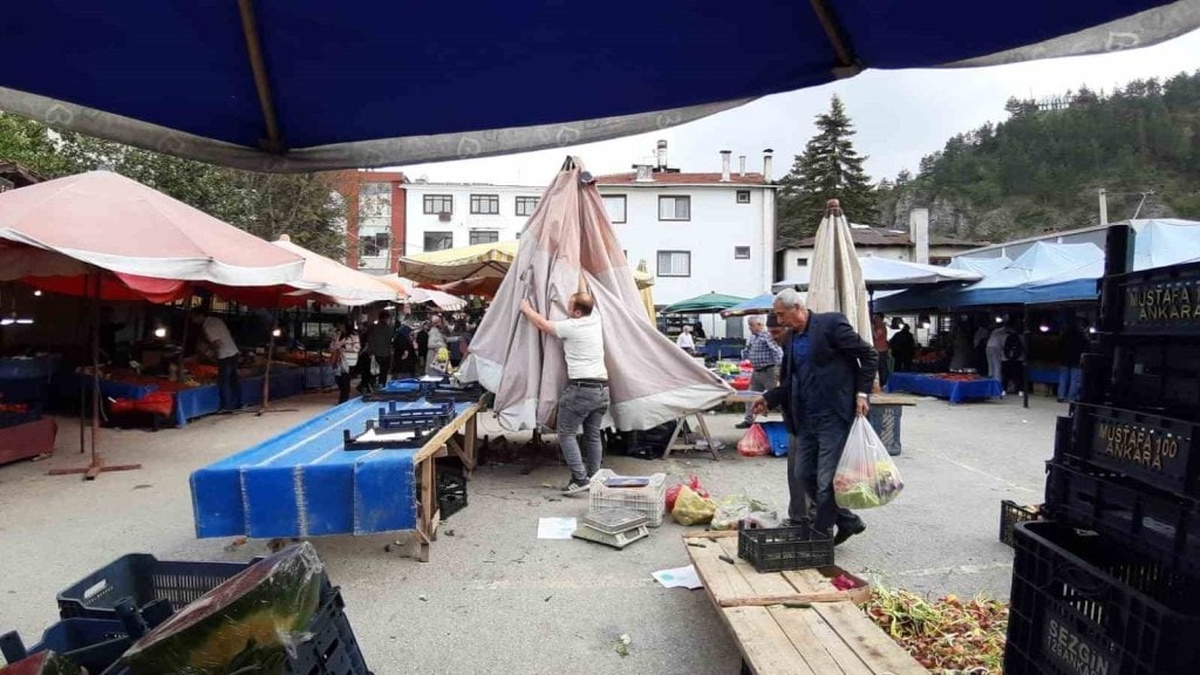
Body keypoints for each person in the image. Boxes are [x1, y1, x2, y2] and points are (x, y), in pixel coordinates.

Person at [753, 289, 877, 545]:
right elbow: (791, 381)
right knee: (803, 474)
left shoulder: (831, 324)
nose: (779, 320)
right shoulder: (792, 339)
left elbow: (869, 354)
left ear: (797, 308)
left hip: (833, 415)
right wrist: (769, 397)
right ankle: (847, 520)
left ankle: (820, 537)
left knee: (825, 480)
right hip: (806, 417)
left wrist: (862, 393)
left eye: (781, 314)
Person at [520, 293, 609, 495]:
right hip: (602, 389)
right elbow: (584, 293)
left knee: (566, 434)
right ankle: (594, 477)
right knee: (593, 435)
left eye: (569, 306)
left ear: (577, 312)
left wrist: (527, 309)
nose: (566, 309)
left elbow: (543, 325)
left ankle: (580, 478)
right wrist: (581, 277)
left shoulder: (571, 326)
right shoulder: (596, 318)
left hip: (581, 389)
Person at [736, 316, 783, 429]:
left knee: (776, 396)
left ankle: (789, 418)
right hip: (756, 372)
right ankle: (748, 419)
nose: (749, 328)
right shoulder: (753, 337)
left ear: (759, 325)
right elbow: (748, 350)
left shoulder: (767, 336)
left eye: (751, 325)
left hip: (769, 371)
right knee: (750, 395)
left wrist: (779, 368)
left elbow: (777, 351)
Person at [191, 308, 241, 413]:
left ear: (200, 316)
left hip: (225, 355)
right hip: (233, 351)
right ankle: (236, 403)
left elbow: (217, 343)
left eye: (194, 317)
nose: (193, 320)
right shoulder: (217, 320)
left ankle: (226, 406)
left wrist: (208, 352)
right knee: (233, 380)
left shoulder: (208, 326)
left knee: (224, 382)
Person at [329, 320, 360, 404]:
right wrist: (334, 348)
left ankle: (343, 399)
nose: (339, 327)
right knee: (338, 378)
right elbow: (332, 345)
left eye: (340, 325)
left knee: (345, 379)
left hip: (349, 360)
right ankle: (344, 396)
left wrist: (345, 349)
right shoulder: (337, 334)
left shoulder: (353, 336)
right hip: (339, 359)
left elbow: (357, 348)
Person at [1057, 319, 1088, 403]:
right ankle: (1071, 398)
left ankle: (1061, 396)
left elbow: (1060, 345)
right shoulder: (1082, 337)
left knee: (1063, 379)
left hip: (1064, 359)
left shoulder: (1065, 335)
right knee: (1075, 380)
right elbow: (1086, 347)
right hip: (1076, 360)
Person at [366, 311, 394, 389]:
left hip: (375, 354)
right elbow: (391, 339)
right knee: (383, 372)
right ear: (386, 318)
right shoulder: (390, 329)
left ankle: (372, 386)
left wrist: (370, 352)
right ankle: (382, 386)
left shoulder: (372, 328)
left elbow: (369, 340)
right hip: (386, 354)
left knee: (373, 371)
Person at [986, 322, 1012, 396]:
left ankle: (990, 386)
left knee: (991, 367)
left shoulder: (995, 331)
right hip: (996, 347)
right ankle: (997, 388)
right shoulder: (1008, 332)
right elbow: (1006, 345)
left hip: (988, 346)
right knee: (997, 367)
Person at [871, 313, 891, 387]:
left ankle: (885, 383)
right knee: (880, 367)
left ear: (880, 319)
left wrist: (872, 328)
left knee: (882, 367)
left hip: (881, 349)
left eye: (877, 317)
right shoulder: (878, 326)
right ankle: (882, 383)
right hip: (878, 349)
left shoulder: (881, 327)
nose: (875, 319)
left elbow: (876, 336)